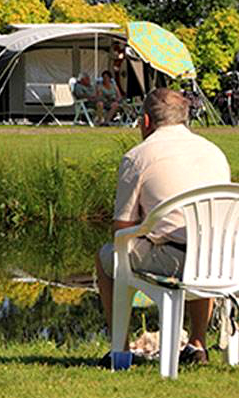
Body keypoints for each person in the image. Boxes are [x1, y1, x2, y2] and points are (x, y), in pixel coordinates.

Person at [95, 88, 231, 366]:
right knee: (198, 246)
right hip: (224, 258)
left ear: (145, 121)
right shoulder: (214, 152)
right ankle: (197, 343)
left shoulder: (139, 157)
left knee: (107, 256)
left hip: (175, 262)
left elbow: (122, 227)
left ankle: (120, 350)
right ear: (186, 119)